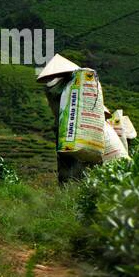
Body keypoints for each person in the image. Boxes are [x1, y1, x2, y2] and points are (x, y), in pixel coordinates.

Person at [35, 53, 97, 184]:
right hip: (70, 130)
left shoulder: (59, 86)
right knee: (73, 162)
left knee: (68, 163)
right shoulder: (58, 87)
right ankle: (72, 188)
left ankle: (69, 187)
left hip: (69, 129)